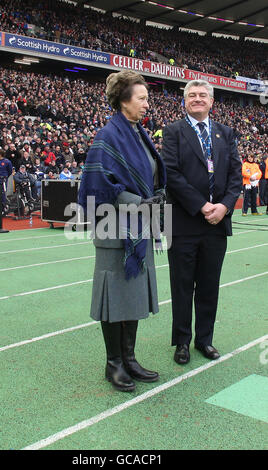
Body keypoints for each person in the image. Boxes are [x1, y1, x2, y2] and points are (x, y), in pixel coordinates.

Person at [78, 70, 166, 392]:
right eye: (142, 98)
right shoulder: (108, 136)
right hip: (115, 228)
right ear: (124, 100)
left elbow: (150, 175)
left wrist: (154, 198)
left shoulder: (137, 132)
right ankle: (113, 363)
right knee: (115, 297)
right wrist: (139, 201)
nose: (147, 104)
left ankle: (129, 358)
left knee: (132, 295)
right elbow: (97, 184)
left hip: (139, 227)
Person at [161, 79, 242, 365]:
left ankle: (204, 340)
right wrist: (202, 205)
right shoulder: (173, 132)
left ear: (211, 101)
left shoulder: (226, 133)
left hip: (216, 224)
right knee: (182, 286)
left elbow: (235, 175)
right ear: (184, 101)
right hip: (184, 223)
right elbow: (170, 174)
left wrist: (224, 206)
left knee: (209, 285)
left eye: (202, 95)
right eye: (192, 95)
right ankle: (181, 341)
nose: (197, 99)